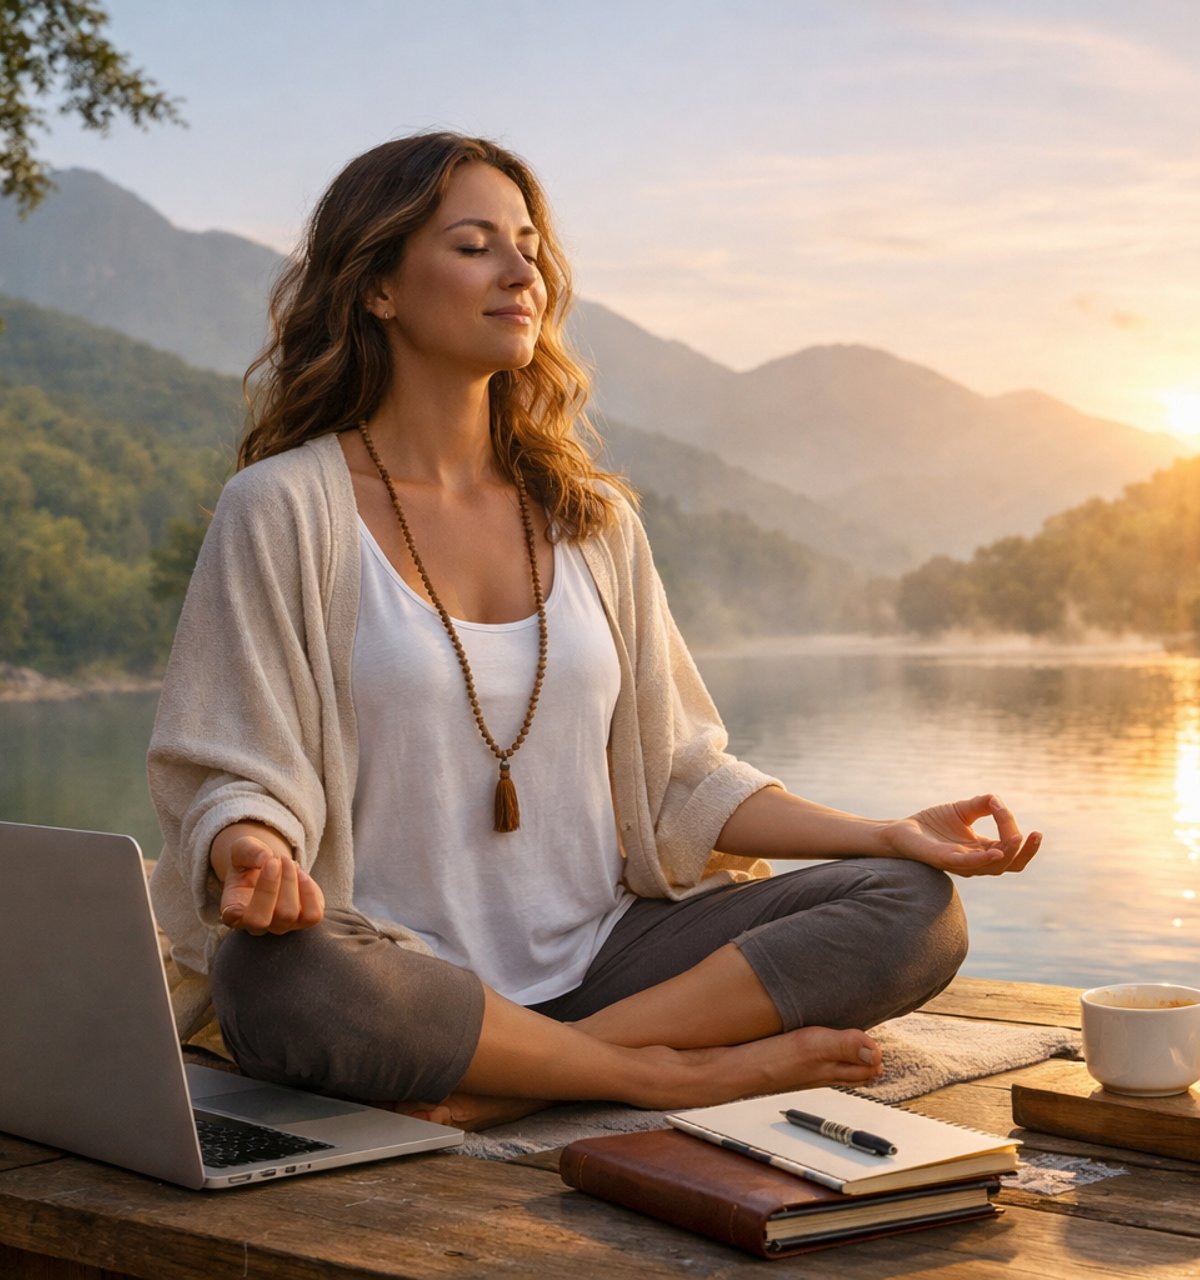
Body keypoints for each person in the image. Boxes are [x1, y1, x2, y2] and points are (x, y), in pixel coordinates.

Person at [148, 131, 1042, 1130]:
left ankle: (522, 1078)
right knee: (278, 980)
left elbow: (683, 778)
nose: (523, 270)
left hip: (611, 960)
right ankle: (666, 1074)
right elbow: (234, 765)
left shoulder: (591, 519)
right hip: (399, 977)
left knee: (913, 905)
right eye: (476, 244)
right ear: (379, 288)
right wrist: (253, 846)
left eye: (528, 242)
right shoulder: (282, 507)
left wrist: (883, 830)